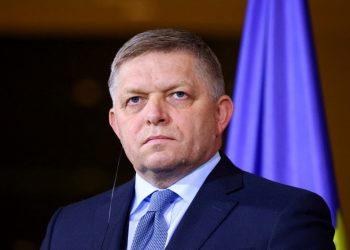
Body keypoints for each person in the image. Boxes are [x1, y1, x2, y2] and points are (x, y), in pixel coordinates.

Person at [40, 29, 335, 250]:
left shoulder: (284, 216)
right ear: (116, 124)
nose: (154, 114)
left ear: (221, 114)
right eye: (135, 100)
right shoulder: (68, 227)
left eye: (178, 95)